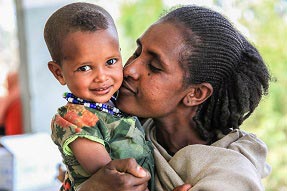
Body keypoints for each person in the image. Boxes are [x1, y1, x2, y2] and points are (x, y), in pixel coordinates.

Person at [76, 5, 272, 191]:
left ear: (196, 94)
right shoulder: (118, 130)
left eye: (154, 66)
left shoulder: (229, 176)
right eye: (137, 52)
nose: (129, 69)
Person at [43, 2, 154, 191]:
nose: (102, 77)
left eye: (111, 62)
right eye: (85, 68)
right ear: (59, 73)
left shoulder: (118, 101)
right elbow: (111, 178)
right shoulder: (75, 119)